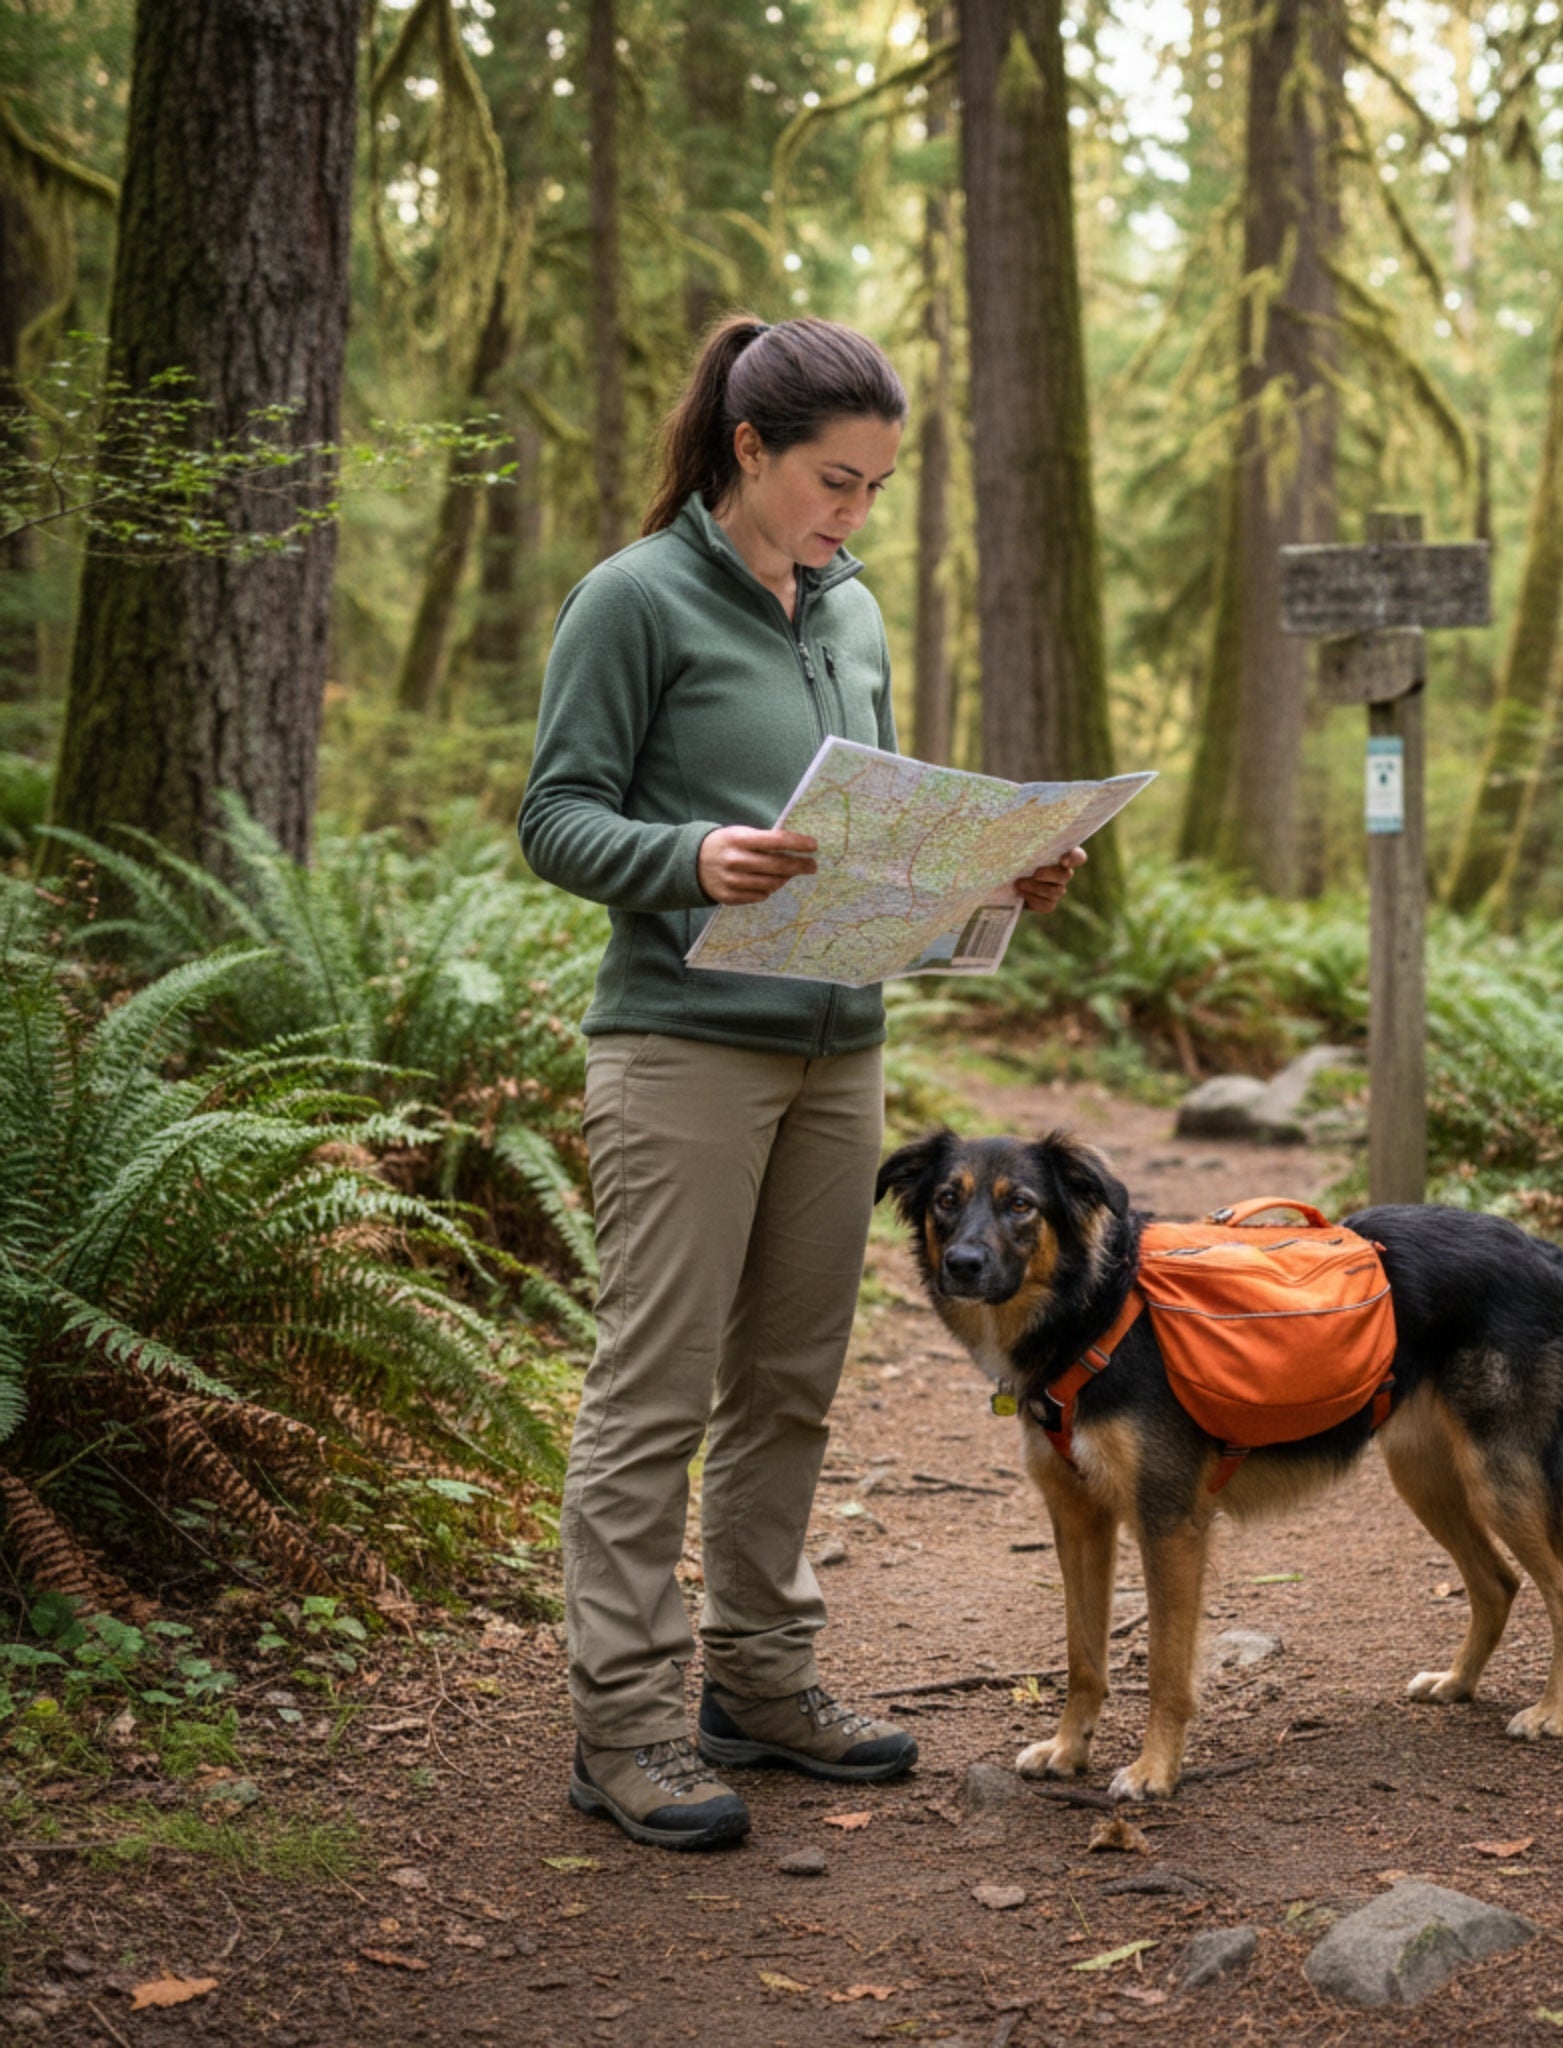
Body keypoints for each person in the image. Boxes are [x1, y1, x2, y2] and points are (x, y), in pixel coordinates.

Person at [518, 314, 1082, 1851]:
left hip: (843, 1053)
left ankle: (759, 1685)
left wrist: (993, 880)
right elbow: (555, 816)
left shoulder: (854, 612)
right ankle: (623, 1726)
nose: (855, 511)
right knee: (654, 1392)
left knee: (789, 1384)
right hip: (684, 1049)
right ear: (748, 447)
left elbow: (877, 837)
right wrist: (689, 855)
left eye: (878, 487)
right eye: (836, 480)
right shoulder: (633, 600)